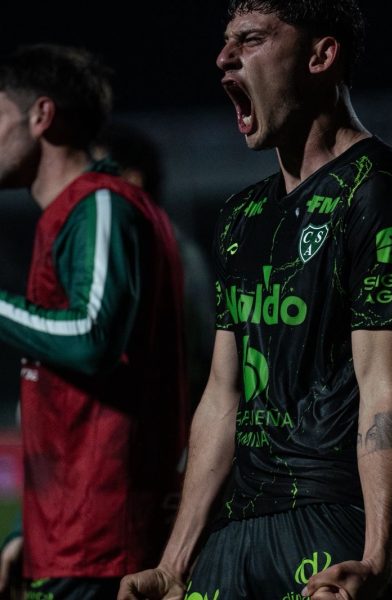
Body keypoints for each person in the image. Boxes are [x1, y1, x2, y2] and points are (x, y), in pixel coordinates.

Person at [119, 1, 392, 599]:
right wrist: (173, 565)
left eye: (251, 40)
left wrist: (376, 560)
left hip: (334, 524)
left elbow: (383, 384)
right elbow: (223, 396)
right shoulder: (241, 216)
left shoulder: (380, 193)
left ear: (321, 55)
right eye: (226, 41)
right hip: (236, 532)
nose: (224, 58)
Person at [0, 44, 188, 599]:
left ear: (41, 115)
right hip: (73, 536)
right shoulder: (75, 212)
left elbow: (93, 338)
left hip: (103, 543)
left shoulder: (101, 204)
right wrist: (27, 531)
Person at [92, 122, 215, 408]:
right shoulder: (165, 246)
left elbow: (200, 350)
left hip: (162, 419)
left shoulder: (166, 251)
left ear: (133, 179)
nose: (86, 184)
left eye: (98, 171)